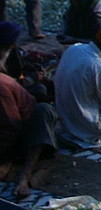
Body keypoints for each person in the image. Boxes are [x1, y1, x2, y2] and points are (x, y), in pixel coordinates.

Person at [1, 46, 58, 200]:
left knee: (44, 110)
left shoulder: (2, 86)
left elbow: (12, 128)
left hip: (20, 130)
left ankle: (24, 176)